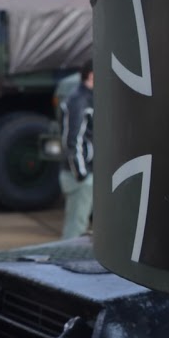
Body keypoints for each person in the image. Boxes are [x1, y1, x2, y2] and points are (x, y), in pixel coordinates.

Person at [59, 63, 94, 239]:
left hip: (85, 173)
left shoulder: (86, 98)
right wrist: (81, 174)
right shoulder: (80, 100)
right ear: (92, 75)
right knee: (75, 228)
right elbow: (73, 140)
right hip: (80, 176)